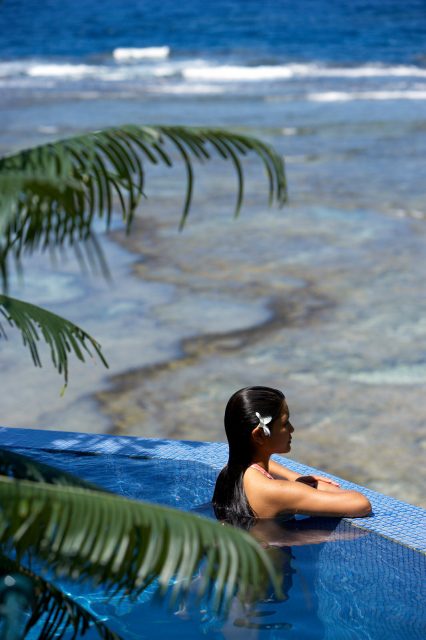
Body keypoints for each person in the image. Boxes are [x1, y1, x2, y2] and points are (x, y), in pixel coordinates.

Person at [212, 386, 371, 523]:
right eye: (285, 423)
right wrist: (313, 485)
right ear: (260, 435)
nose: (292, 429)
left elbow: (267, 466)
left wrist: (294, 477)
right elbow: (360, 504)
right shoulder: (275, 491)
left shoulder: (230, 472)